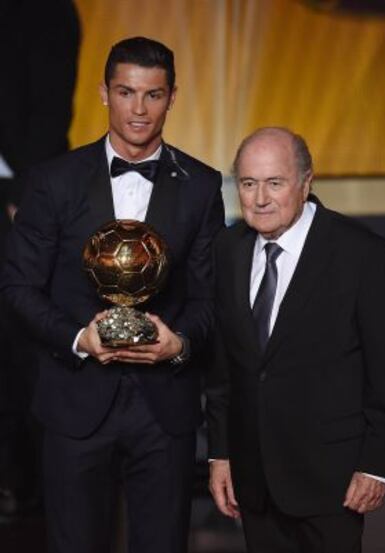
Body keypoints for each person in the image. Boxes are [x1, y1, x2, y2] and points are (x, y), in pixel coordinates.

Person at [0, 36, 224, 553]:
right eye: (126, 92)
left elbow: (212, 297)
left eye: (153, 95)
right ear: (104, 93)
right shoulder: (52, 181)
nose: (139, 110)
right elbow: (17, 286)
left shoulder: (202, 185)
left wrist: (181, 342)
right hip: (74, 401)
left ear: (172, 96)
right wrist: (79, 337)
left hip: (163, 409)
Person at [206, 127, 385, 553]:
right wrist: (221, 453)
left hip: (331, 479)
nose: (260, 198)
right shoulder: (227, 249)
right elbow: (225, 367)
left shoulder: (362, 253)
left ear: (306, 182)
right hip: (254, 477)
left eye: (275, 183)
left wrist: (377, 464)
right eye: (248, 183)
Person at [0, 0, 80, 515]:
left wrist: (27, 193)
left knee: (21, 342)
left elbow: (52, 104)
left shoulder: (43, 9)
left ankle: (22, 482)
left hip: (19, 194)